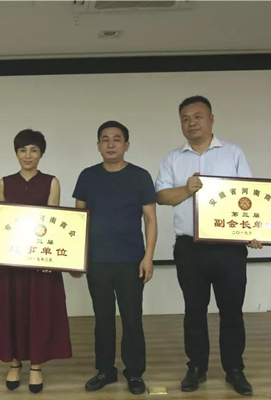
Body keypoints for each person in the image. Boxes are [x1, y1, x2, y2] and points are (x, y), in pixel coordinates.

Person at [155, 95, 262, 396]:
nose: (192, 123)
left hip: (229, 247)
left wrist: (252, 230)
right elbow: (161, 196)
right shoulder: (173, 159)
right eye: (186, 118)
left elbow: (249, 195)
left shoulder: (233, 153)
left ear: (211, 119)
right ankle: (196, 368)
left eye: (198, 116)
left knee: (232, 310)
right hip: (190, 247)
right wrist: (186, 189)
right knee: (194, 311)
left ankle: (234, 370)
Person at [72, 121, 157, 395]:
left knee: (132, 319)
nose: (111, 144)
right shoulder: (87, 176)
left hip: (131, 260)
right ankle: (105, 370)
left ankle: (134, 373)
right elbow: (78, 220)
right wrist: (76, 257)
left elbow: (150, 219)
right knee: (103, 319)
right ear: (98, 145)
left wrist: (148, 257)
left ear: (126, 145)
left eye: (117, 139)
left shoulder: (140, 176)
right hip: (97, 261)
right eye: (105, 139)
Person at [0, 129, 72, 394]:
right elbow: (3, 219)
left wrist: (51, 260)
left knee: (39, 310)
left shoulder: (51, 182)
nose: (28, 155)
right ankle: (14, 362)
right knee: (10, 308)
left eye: (33, 150)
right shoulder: (4, 182)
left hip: (40, 260)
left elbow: (53, 222)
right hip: (10, 260)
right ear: (16, 153)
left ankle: (36, 364)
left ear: (41, 154)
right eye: (22, 150)